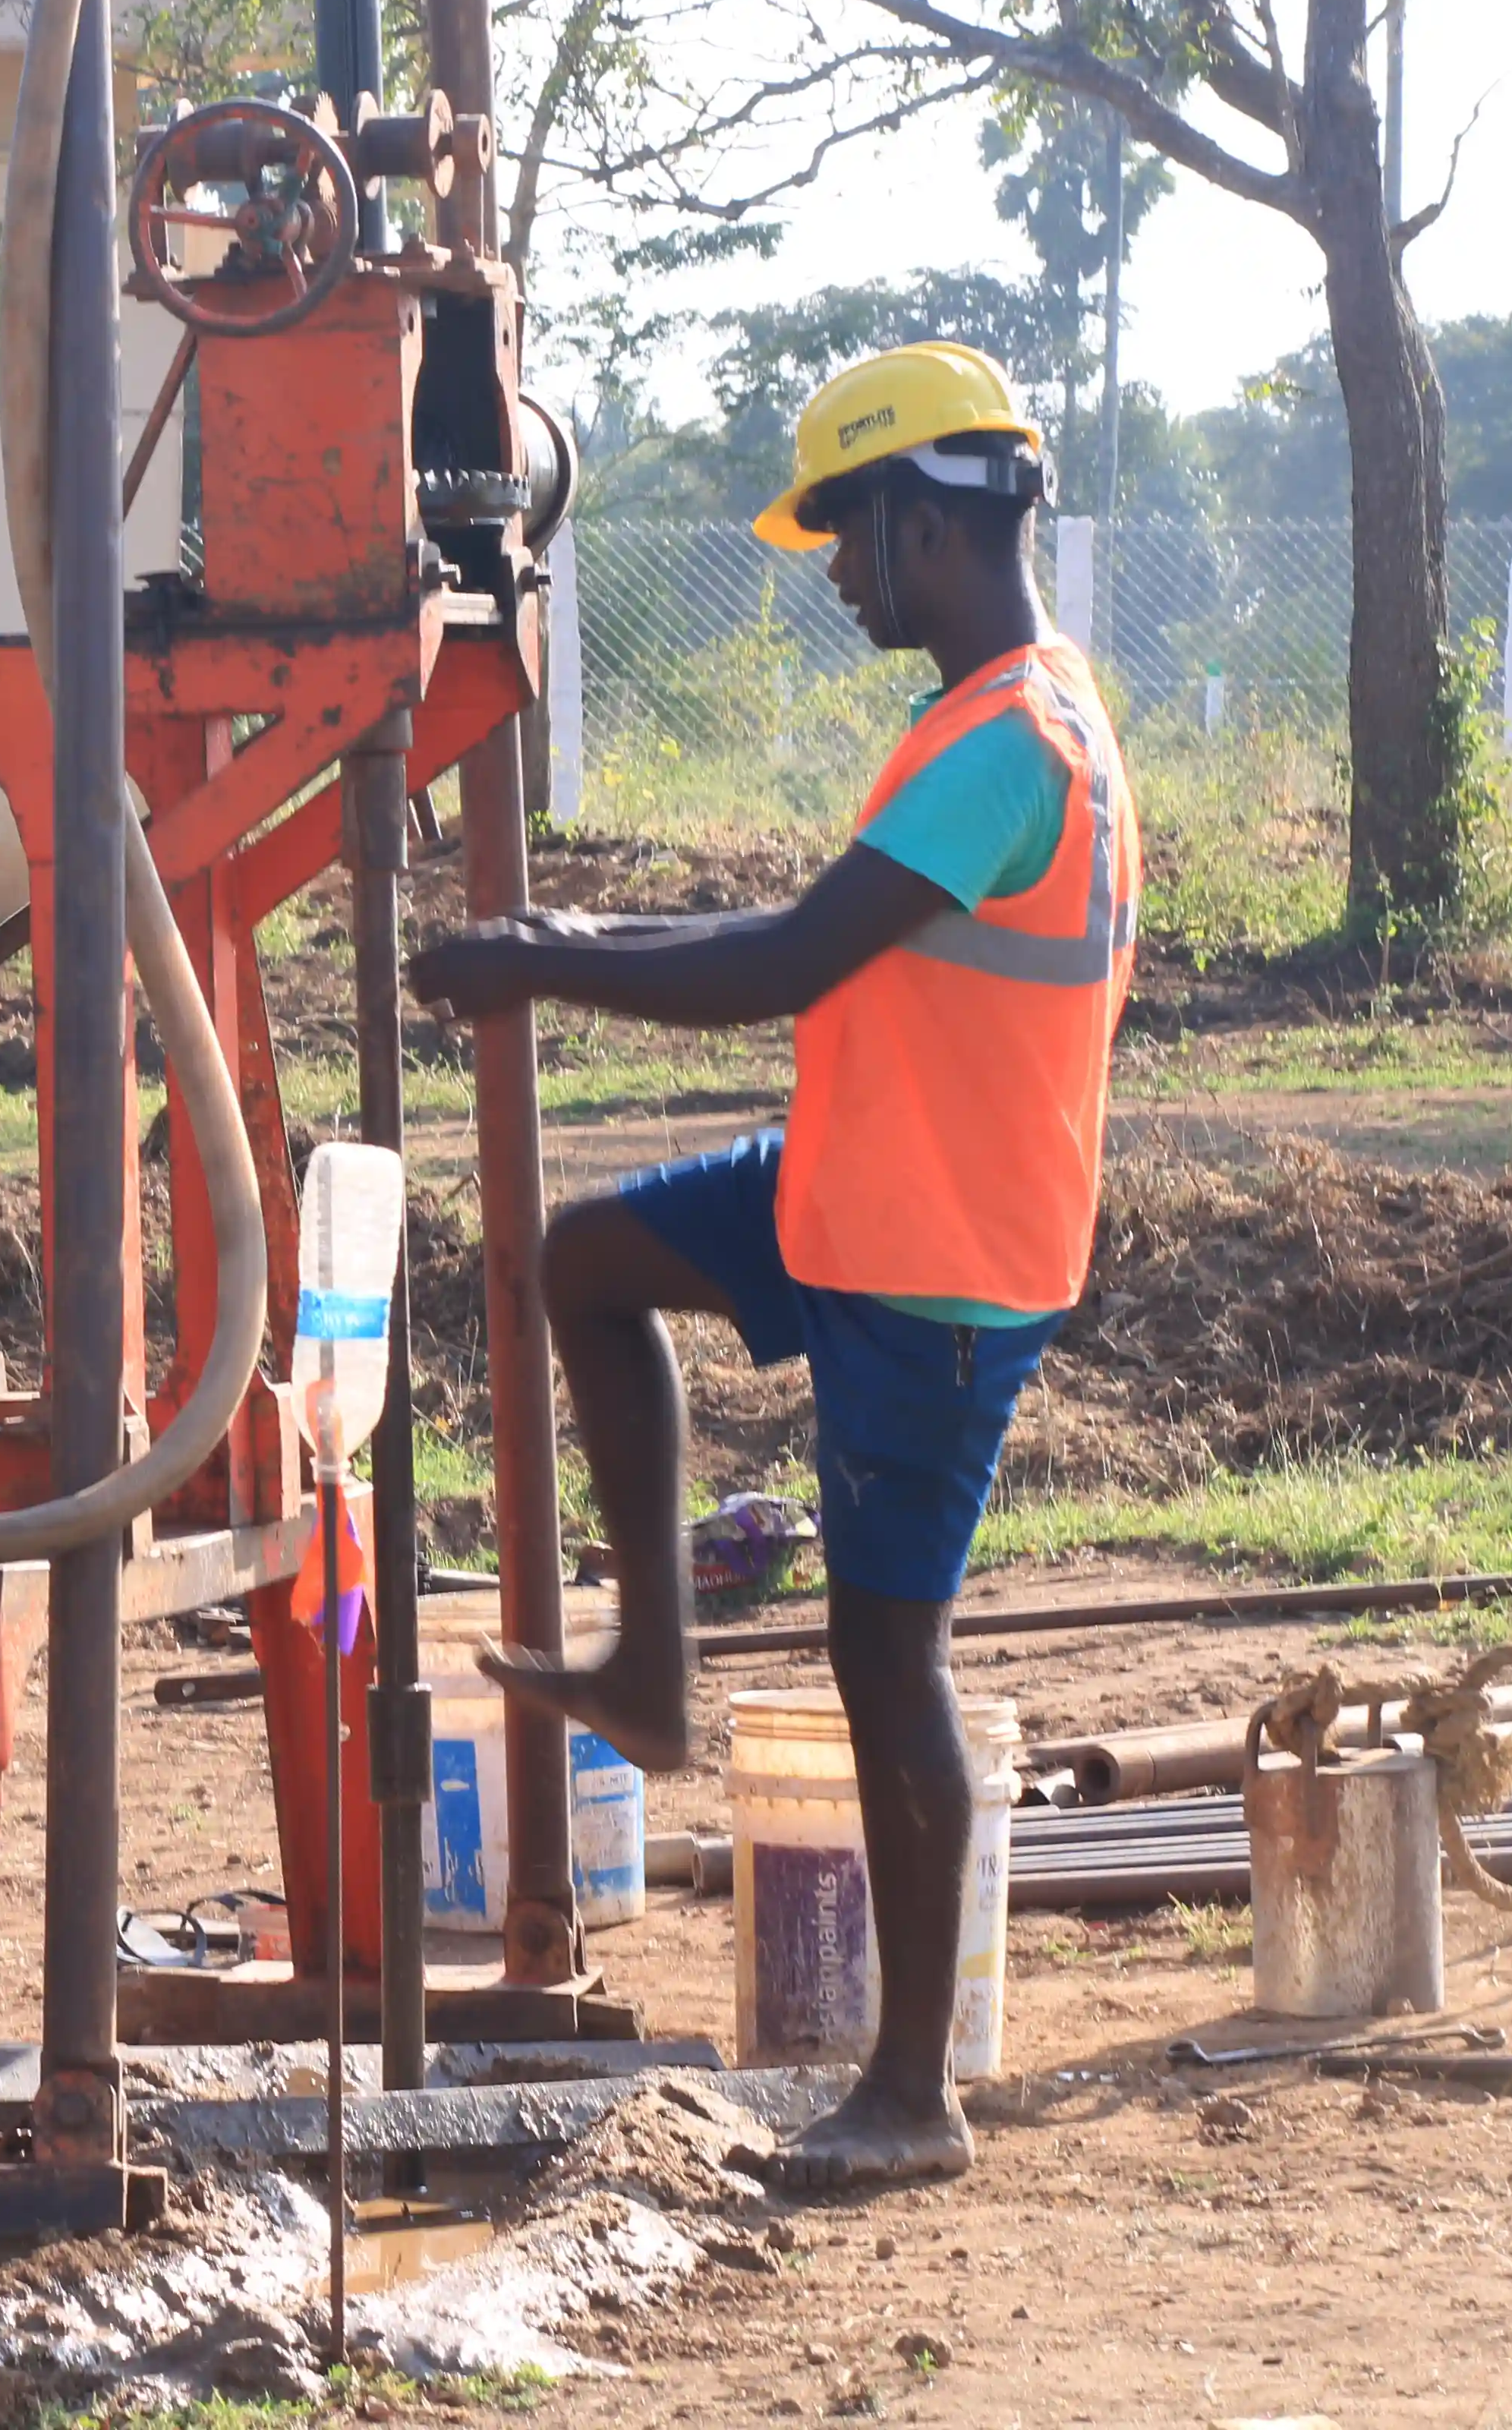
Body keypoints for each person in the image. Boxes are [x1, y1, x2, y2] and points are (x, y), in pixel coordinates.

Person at [412, 344, 1138, 2194]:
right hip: (856, 1191)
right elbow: (796, 937)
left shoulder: (1013, 744)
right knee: (589, 1259)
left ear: (927, 517)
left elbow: (791, 957)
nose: (832, 574)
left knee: (887, 1650)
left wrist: (546, 954)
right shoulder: (1007, 711)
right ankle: (651, 1665)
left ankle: (913, 2090)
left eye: (845, 533)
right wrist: (545, 937)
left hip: (941, 1263)